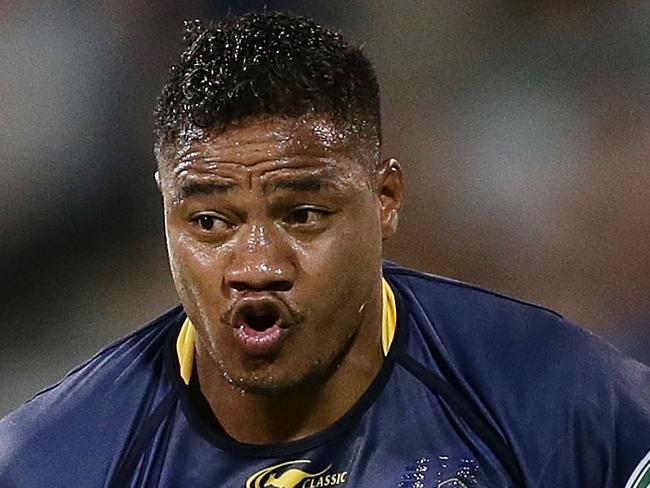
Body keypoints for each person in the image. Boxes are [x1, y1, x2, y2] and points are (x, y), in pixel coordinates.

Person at [1, 11, 649, 488]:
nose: (256, 265)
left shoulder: (560, 400)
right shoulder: (53, 461)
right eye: (208, 222)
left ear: (385, 196)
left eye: (303, 214)